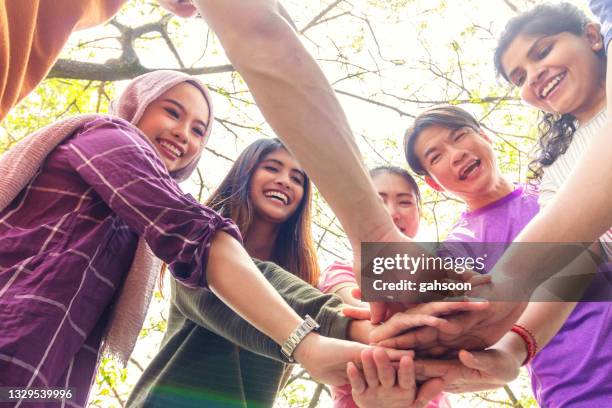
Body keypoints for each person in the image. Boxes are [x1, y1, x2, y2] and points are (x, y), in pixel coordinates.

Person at [0, 71, 383, 407]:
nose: (184, 133)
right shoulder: (110, 136)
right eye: (172, 112)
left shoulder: (135, 233)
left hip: (51, 374)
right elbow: (194, 236)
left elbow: (346, 286)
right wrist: (333, 336)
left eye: (199, 129)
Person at [368, 1, 612, 354]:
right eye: (520, 77)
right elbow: (578, 262)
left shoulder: (543, 187)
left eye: (543, 51)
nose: (535, 74)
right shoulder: (554, 179)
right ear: (433, 182)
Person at [392, 104, 611, 406]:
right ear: (433, 183)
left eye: (460, 136)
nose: (456, 155)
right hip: (582, 390)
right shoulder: (459, 249)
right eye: (436, 156)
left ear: (485, 137)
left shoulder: (561, 187)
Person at [319, 166, 450, 408]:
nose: (392, 213)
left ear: (419, 213)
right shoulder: (340, 272)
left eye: (405, 202)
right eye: (378, 202)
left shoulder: (438, 275)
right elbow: (354, 308)